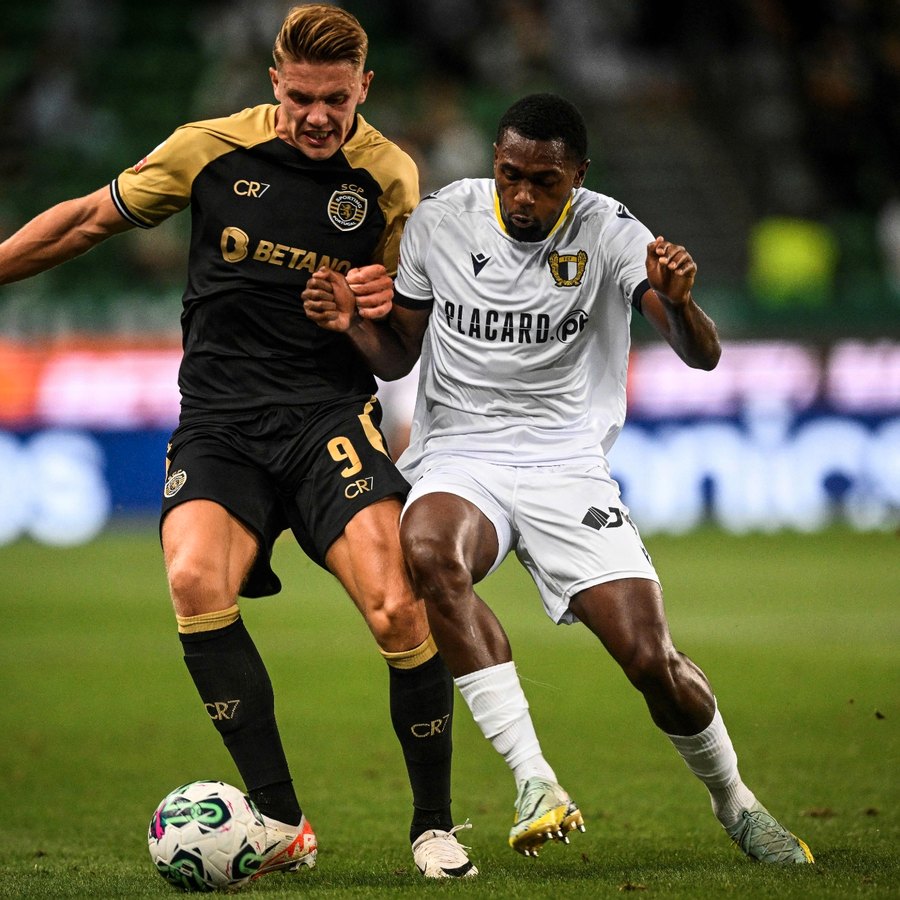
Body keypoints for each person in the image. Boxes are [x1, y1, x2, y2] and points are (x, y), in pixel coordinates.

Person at [0, 4, 477, 881]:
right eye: (301, 97)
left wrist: (363, 316)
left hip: (328, 416)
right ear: (274, 84)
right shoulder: (206, 148)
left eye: (337, 99)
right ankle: (282, 824)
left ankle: (434, 826)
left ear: (364, 88)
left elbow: (402, 342)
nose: (319, 117)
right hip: (219, 422)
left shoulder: (391, 179)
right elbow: (83, 223)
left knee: (398, 606)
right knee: (192, 579)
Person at [302, 92, 815, 865]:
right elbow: (400, 354)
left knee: (651, 661)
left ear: (577, 174)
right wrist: (353, 327)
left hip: (565, 462)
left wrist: (681, 305)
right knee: (432, 553)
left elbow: (699, 354)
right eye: (511, 175)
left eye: (545, 181)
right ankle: (534, 779)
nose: (525, 195)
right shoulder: (443, 221)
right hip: (460, 452)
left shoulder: (611, 231)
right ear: (495, 164)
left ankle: (735, 802)